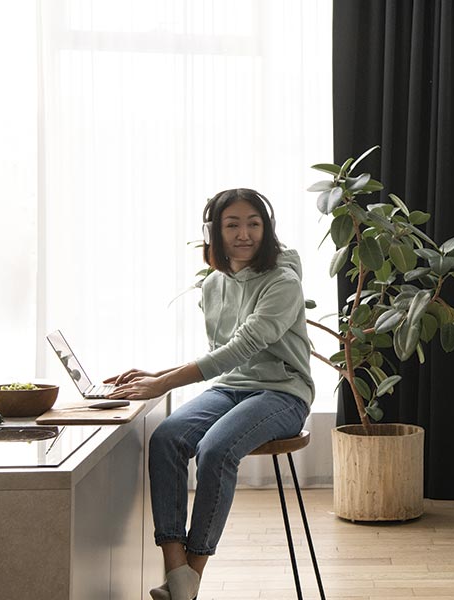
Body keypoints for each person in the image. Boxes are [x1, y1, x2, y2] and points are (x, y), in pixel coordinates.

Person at [105, 188, 315, 600]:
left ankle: (191, 576)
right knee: (166, 438)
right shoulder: (214, 285)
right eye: (232, 224)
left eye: (254, 224)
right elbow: (223, 354)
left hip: (283, 393)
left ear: (267, 229)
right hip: (232, 387)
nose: (244, 234)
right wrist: (158, 372)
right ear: (213, 232)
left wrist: (163, 384)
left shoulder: (283, 282)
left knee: (217, 450)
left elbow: (244, 346)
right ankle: (175, 566)